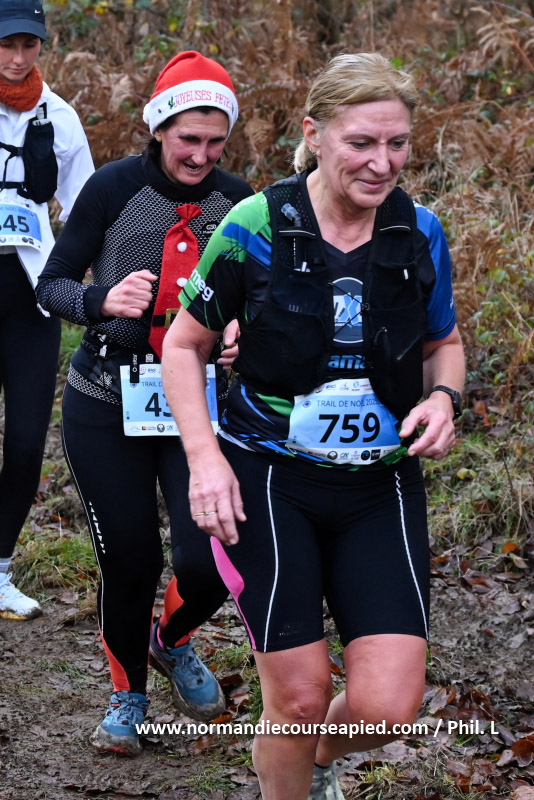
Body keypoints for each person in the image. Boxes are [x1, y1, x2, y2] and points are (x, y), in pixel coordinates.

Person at [161, 52, 465, 800]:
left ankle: (311, 758)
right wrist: (204, 460)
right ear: (314, 134)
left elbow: (444, 343)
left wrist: (443, 398)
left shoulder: (418, 232)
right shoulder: (257, 225)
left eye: (397, 143)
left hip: (379, 484)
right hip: (268, 478)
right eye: (362, 142)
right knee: (296, 699)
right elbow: (184, 345)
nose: (382, 163)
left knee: (388, 707)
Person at [36, 50, 254, 756]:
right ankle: (127, 696)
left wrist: (241, 336)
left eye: (215, 141)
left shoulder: (240, 203)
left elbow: (262, 301)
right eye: (188, 138)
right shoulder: (112, 188)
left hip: (200, 407)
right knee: (129, 559)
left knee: (211, 559)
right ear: (158, 129)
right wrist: (101, 299)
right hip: (107, 399)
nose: (201, 155)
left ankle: (172, 639)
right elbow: (51, 284)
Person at [0, 0, 94, 620]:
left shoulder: (58, 116)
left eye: (29, 45)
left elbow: (86, 207)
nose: (17, 57)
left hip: (30, 294)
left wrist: (100, 282)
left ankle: (0, 568)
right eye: (7, 45)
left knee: (28, 440)